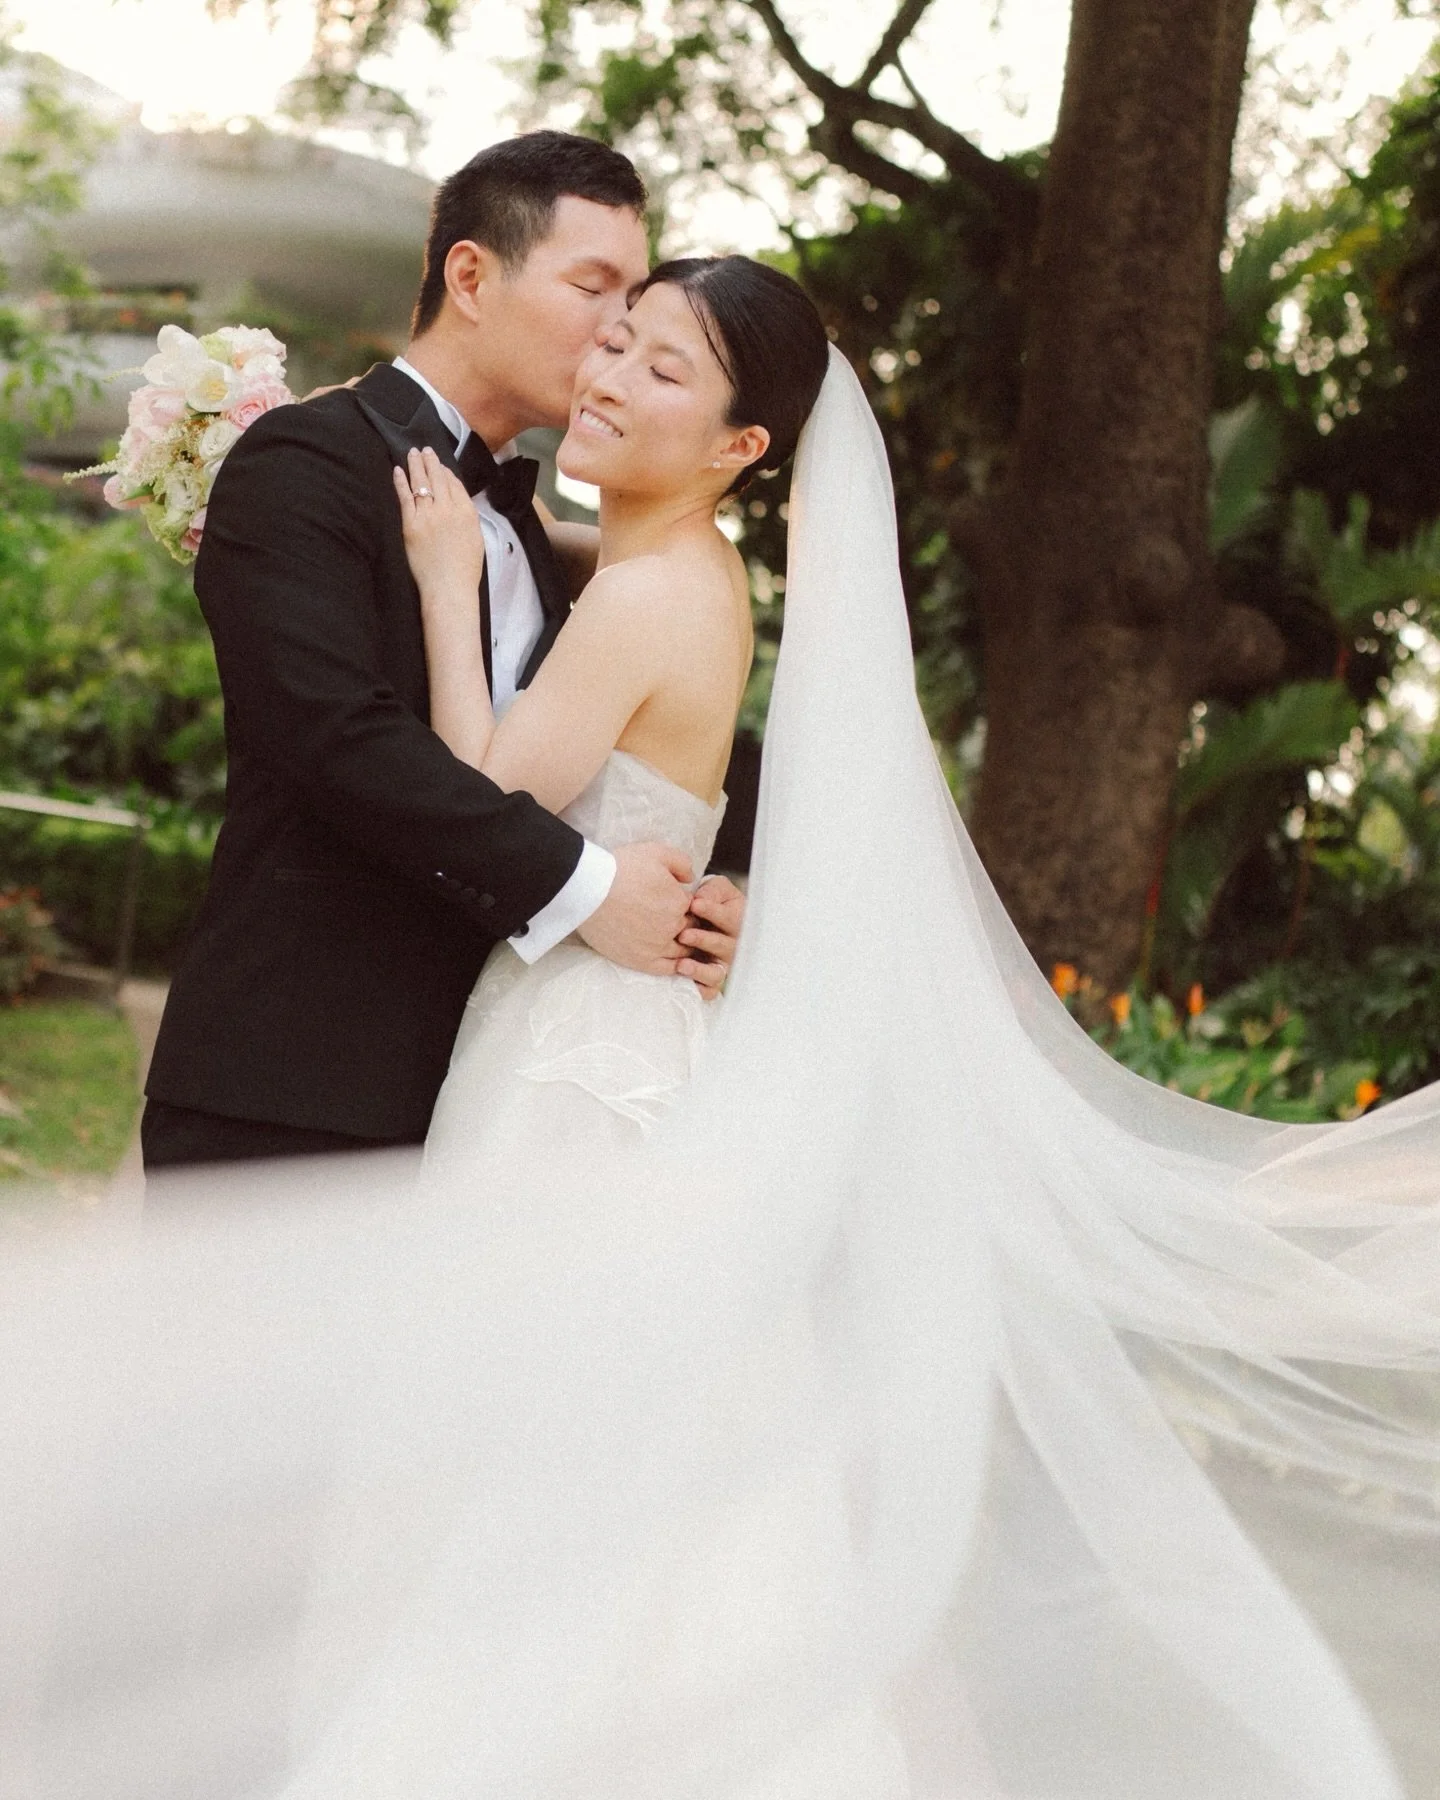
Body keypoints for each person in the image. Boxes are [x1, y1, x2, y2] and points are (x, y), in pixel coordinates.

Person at [4, 245, 1440, 1800]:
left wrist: (434, 586)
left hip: (574, 1074)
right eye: (613, 341)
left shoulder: (646, 594)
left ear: (745, 449)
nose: (610, 377)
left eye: (661, 367)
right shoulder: (657, 571)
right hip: (598, 1042)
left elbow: (488, 788)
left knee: (503, 1461)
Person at [139, 132, 744, 1172]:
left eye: (636, 302)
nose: (618, 332)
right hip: (294, 1090)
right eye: (594, 288)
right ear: (472, 274)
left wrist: (703, 900)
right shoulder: (306, 462)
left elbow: (634, 748)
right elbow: (338, 738)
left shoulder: (555, 541)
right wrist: (593, 888)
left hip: (488, 1101)